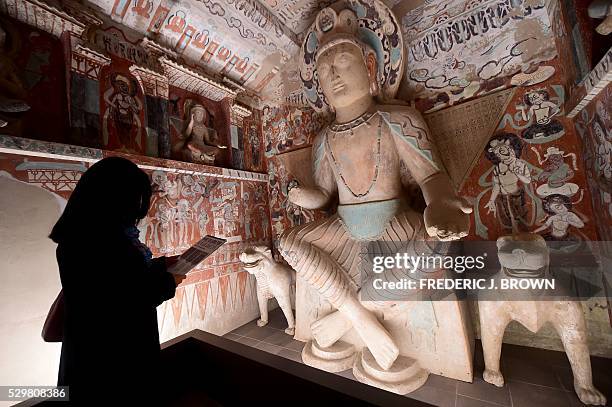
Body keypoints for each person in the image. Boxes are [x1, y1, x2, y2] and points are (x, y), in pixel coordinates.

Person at [48, 157, 185, 403]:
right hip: (114, 359)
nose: (136, 209)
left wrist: (160, 264)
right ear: (115, 199)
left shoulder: (80, 238)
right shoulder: (106, 244)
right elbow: (127, 300)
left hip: (87, 353)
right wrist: (169, 280)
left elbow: (116, 281)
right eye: (134, 199)